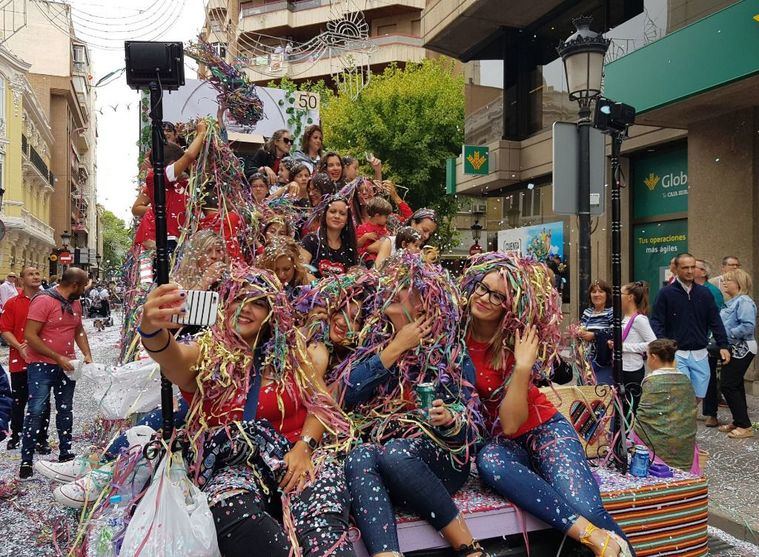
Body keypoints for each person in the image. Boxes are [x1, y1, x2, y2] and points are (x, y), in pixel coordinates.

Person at [138, 268, 355, 557]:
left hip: (298, 459)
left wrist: (305, 446)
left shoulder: (293, 354)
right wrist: (152, 331)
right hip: (235, 468)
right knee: (230, 509)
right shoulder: (206, 353)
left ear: (272, 313)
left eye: (257, 302)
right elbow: (172, 356)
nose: (244, 308)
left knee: (324, 529)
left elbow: (320, 403)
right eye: (237, 298)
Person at [459, 253, 633, 557]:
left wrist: (523, 367)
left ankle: (610, 544)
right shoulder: (453, 335)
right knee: (490, 462)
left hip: (545, 429)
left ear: (511, 305)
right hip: (501, 444)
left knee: (584, 506)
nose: (485, 298)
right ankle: (589, 535)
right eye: (482, 288)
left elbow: (513, 423)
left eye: (498, 295)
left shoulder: (518, 340)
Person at [340, 253, 486, 557]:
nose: (391, 288)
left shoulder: (450, 351)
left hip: (436, 464)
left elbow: (473, 430)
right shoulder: (377, 343)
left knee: (396, 452)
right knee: (359, 456)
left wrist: (451, 420)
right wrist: (394, 349)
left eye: (404, 284)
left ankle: (469, 549)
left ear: (424, 303)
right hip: (385, 465)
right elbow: (344, 396)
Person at [19, 267, 92, 480]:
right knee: (36, 410)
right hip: (42, 365)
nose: (86, 288)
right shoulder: (44, 301)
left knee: (65, 409)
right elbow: (30, 336)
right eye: (84, 284)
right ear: (75, 285)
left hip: (67, 365)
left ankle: (65, 454)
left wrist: (87, 354)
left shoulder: (75, 303)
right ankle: (26, 461)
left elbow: (78, 329)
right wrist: (56, 357)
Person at [650, 253, 730, 401]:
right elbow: (656, 321)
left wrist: (723, 345)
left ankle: (684, 420)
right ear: (676, 269)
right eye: (685, 267)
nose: (689, 271)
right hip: (677, 354)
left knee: (699, 395)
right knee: (681, 395)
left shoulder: (704, 293)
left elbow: (715, 320)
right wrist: (664, 345)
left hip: (700, 353)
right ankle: (681, 422)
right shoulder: (665, 293)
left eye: (692, 267)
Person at [133, 120, 209, 253]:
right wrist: (201, 133)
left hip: (178, 240)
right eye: (181, 164)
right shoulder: (159, 176)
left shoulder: (186, 185)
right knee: (152, 273)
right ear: (174, 164)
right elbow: (190, 156)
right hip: (155, 241)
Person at [0, 267, 51, 451]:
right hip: (19, 360)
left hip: (43, 360)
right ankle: (16, 434)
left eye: (37, 273)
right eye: (30, 274)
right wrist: (19, 346)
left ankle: (41, 438)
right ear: (21, 280)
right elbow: (5, 329)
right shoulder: (12, 303)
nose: (35, 276)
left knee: (42, 402)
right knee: (19, 400)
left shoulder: (48, 301)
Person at [633, 339, 697, 471]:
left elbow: (645, 415)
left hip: (656, 441)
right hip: (684, 436)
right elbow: (689, 409)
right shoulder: (685, 379)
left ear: (654, 357)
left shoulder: (651, 380)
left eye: (647, 355)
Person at [717, 268, 756, 439]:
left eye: (728, 280)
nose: (724, 283)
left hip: (742, 348)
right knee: (736, 384)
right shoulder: (733, 301)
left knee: (728, 384)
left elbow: (748, 325)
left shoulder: (744, 302)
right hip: (735, 348)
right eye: (724, 280)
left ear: (739, 283)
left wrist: (729, 335)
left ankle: (745, 425)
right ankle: (739, 420)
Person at [618, 281, 656, 415]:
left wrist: (624, 347)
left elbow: (653, 344)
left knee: (630, 406)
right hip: (620, 367)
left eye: (621, 293)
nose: (618, 296)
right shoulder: (624, 317)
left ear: (630, 297)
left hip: (632, 368)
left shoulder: (639, 319)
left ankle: (631, 434)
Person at [695, 259, 725, 427]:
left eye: (695, 267)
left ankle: (711, 414)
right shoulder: (690, 289)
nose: (691, 270)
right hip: (691, 341)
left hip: (706, 341)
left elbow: (718, 317)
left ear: (704, 272)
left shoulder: (712, 291)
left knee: (708, 377)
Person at [300, 196, 358, 278]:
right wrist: (320, 286)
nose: (337, 216)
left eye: (342, 214)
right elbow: (301, 270)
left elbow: (355, 274)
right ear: (325, 215)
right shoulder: (310, 240)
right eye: (333, 211)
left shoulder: (349, 245)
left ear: (347, 220)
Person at [579, 280, 614, 385]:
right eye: (594, 292)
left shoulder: (611, 312)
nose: (597, 294)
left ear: (607, 295)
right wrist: (578, 333)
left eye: (601, 291)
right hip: (587, 360)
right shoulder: (587, 312)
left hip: (602, 360)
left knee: (601, 390)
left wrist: (594, 335)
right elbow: (582, 327)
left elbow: (614, 332)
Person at [356, 197, 392, 267]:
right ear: (377, 216)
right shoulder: (362, 228)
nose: (387, 219)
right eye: (386, 217)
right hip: (369, 259)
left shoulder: (384, 227)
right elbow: (357, 245)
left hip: (383, 257)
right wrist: (365, 236)